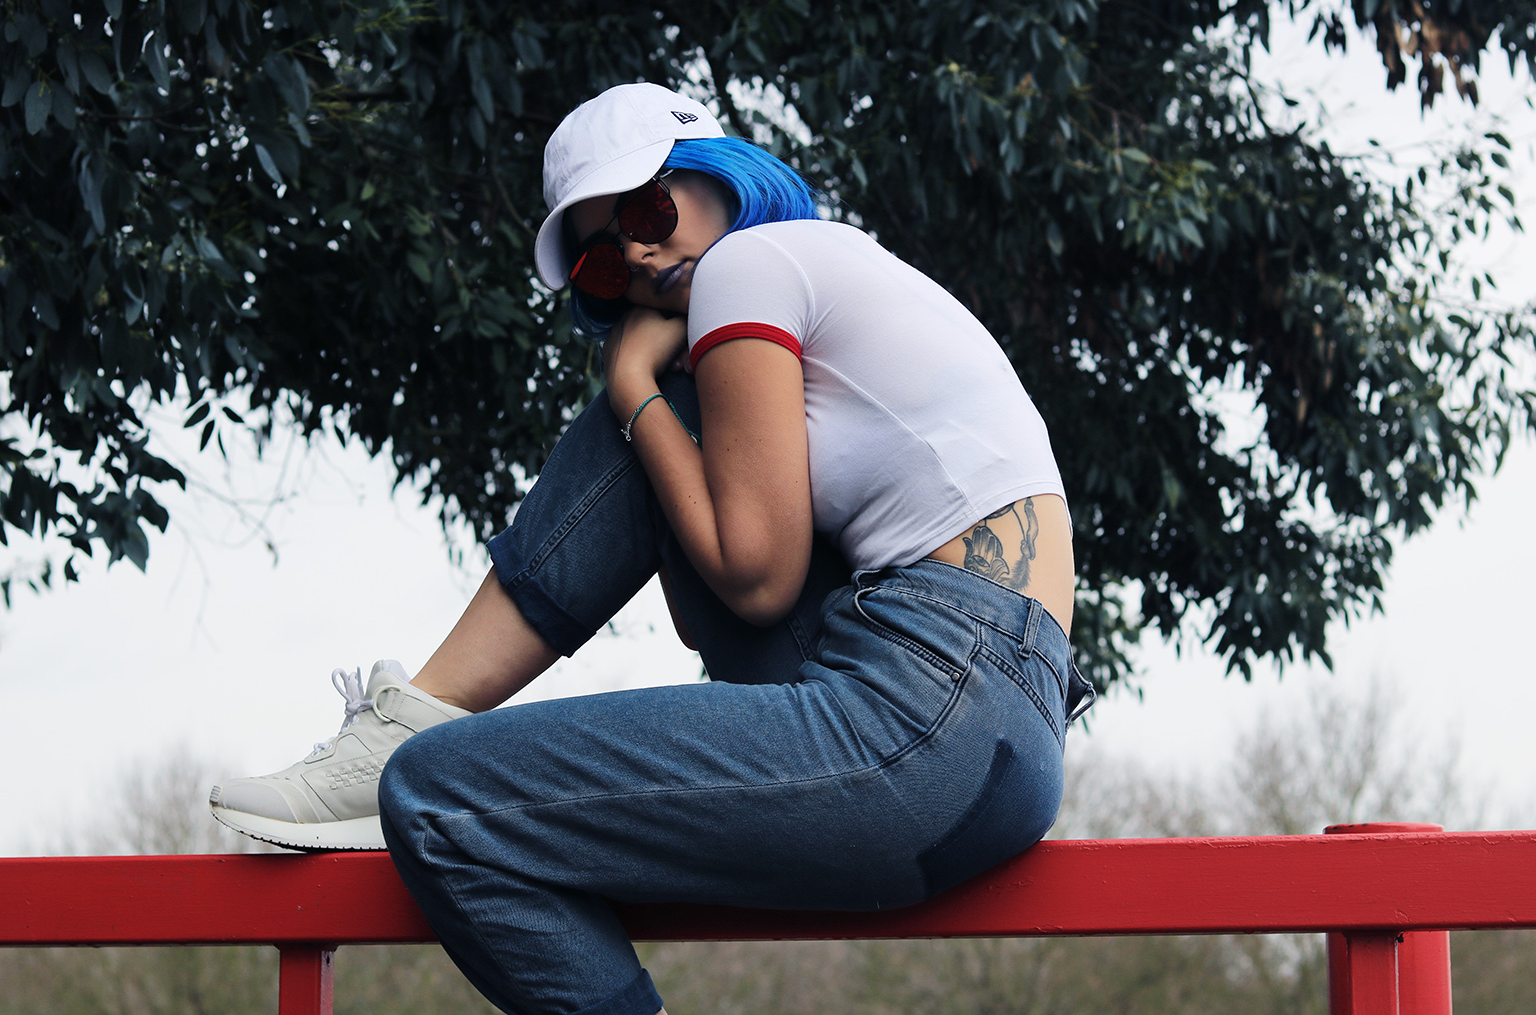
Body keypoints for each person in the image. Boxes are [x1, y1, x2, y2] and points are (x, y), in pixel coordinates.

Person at [210, 81, 1094, 1015]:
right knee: (663, 431)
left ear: (720, 176)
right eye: (600, 261)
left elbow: (754, 578)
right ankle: (410, 721)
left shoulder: (751, 264)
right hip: (1000, 735)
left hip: (926, 708)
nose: (633, 250)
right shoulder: (829, 279)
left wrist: (631, 386)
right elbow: (721, 586)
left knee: (436, 795)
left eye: (646, 206)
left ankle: (407, 729)